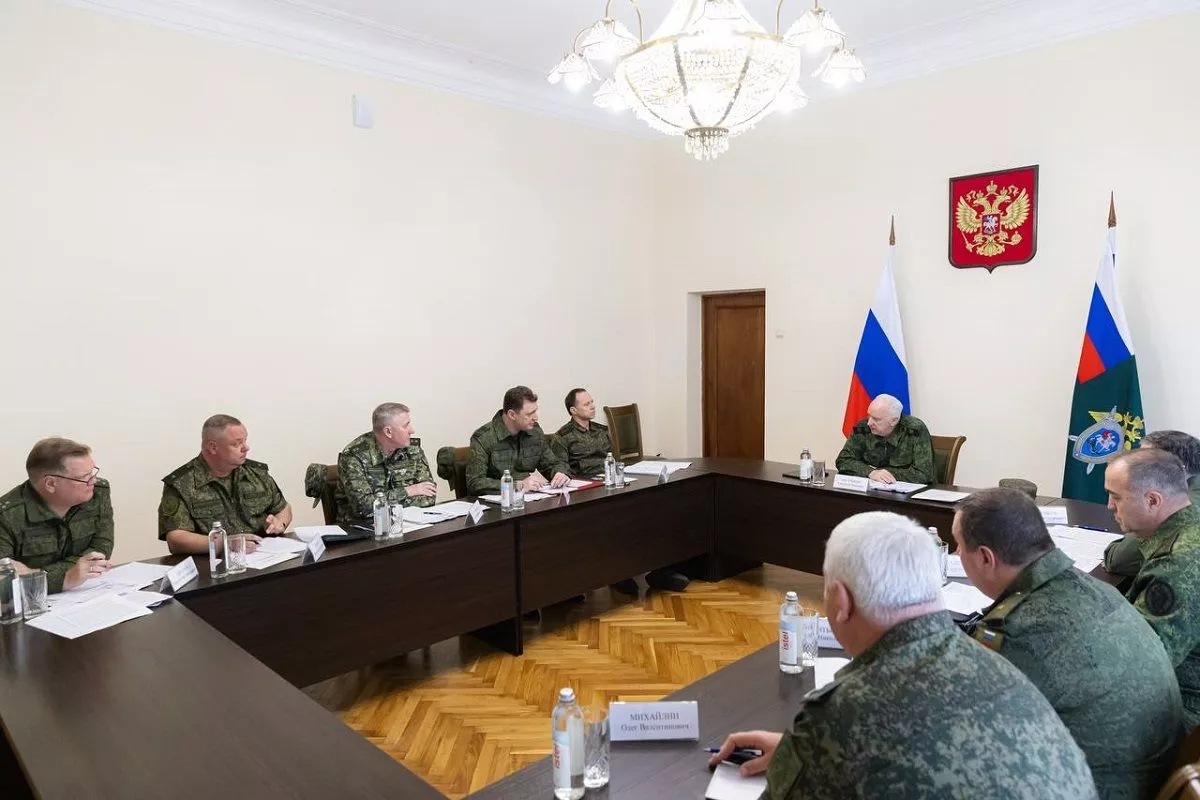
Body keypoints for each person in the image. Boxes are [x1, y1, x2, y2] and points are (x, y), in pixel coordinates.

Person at [709, 511, 1096, 799]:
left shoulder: (846, 712)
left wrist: (809, 754)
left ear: (840, 601)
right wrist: (799, 754)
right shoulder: (997, 663)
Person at [954, 487, 1180, 798]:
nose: (957, 553)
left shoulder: (1018, 632)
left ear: (985, 557)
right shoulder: (1095, 589)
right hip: (1152, 771)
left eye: (958, 546)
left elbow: (970, 729)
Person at [553, 388, 689, 595]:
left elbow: (615, 461)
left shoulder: (601, 431)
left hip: (613, 483)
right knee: (619, 519)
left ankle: (660, 569)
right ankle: (619, 572)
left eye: (592, 401)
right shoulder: (562, 437)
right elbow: (561, 470)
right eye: (586, 404)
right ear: (573, 410)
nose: (592, 406)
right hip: (588, 492)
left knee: (652, 509)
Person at [1104, 448, 1200, 729]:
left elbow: (1141, 662)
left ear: (1153, 500)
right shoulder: (1191, 524)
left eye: (1116, 497)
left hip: (1183, 708)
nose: (1109, 506)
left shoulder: (1175, 564)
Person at [159, 414, 292, 555]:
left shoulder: (257, 474)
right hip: (213, 563)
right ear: (213, 447)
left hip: (264, 556)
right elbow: (176, 539)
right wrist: (224, 544)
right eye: (236, 443)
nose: (246, 448)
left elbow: (283, 508)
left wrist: (280, 523)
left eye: (245, 441)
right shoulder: (182, 484)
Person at [0, 438, 114, 593]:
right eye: (84, 477)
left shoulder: (98, 492)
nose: (93, 480)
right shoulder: (6, 516)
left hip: (85, 592)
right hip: (31, 603)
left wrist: (34, 575)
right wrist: (65, 578)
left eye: (93, 472)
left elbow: (102, 547)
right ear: (50, 483)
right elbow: (4, 583)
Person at [1105, 430, 1200, 577]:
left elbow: (1118, 560)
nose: (1134, 463)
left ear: (1174, 467)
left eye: (1144, 461)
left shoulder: (1182, 506)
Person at [337, 403, 437, 524]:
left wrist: (386, 504)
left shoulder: (412, 449)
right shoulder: (354, 457)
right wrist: (408, 491)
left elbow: (429, 496)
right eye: (406, 426)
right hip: (364, 528)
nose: (412, 430)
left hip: (411, 524)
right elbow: (364, 508)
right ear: (388, 432)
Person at [466, 386, 569, 495]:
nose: (536, 417)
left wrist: (560, 473)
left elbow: (552, 464)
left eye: (535, 411)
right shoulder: (483, 438)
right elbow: (475, 483)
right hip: (498, 501)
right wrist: (517, 485)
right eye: (529, 414)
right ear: (512, 414)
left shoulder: (534, 432)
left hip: (529, 498)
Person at [834, 394, 935, 485]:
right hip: (872, 492)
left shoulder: (915, 430)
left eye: (876, 419)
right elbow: (843, 460)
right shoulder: (862, 428)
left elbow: (924, 473)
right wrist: (871, 472)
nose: (869, 423)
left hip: (909, 495)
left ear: (894, 420)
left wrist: (885, 473)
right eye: (869, 416)